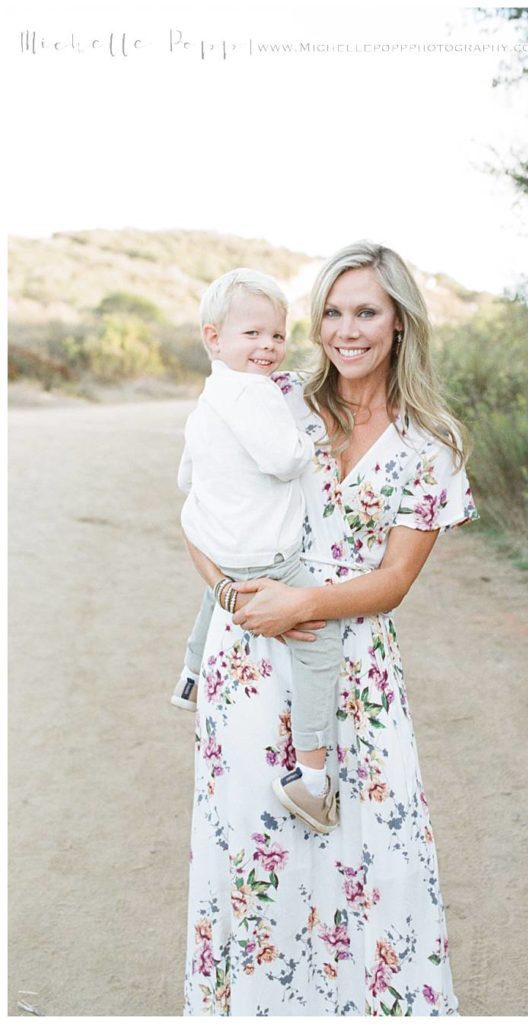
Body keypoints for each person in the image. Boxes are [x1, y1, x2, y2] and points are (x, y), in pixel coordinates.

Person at [182, 241, 479, 1016]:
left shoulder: (431, 443)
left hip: (358, 675)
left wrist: (302, 606)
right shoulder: (272, 399)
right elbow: (198, 517)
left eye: (367, 312)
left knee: (377, 863)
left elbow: (394, 581)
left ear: (400, 324)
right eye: (334, 312)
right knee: (256, 862)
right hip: (249, 659)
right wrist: (235, 596)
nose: (347, 329)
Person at [173, 267, 343, 833]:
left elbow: (186, 472)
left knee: (218, 579)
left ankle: (192, 671)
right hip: (270, 557)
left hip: (218, 537)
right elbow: (284, 460)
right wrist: (311, 440)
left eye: (276, 335)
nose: (268, 347)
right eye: (253, 335)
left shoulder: (211, 394)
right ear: (213, 337)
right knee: (321, 641)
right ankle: (313, 778)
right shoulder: (256, 394)